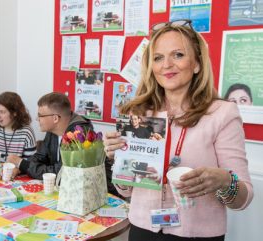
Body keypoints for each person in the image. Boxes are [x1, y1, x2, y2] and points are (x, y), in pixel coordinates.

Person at [103, 20, 253, 241]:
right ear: (151, 67)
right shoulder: (138, 112)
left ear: (197, 64)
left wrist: (224, 181)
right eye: (158, 57)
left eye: (178, 55)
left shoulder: (223, 113)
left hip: (197, 235)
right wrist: (118, 160)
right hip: (142, 230)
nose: (166, 65)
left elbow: (243, 199)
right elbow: (127, 191)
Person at [7, 92, 93, 179]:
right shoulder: (53, 129)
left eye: (40, 115)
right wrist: (20, 168)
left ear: (55, 118)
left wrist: (22, 163)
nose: (37, 119)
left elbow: (61, 173)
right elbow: (40, 157)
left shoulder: (80, 134)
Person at [0, 92, 36, 174]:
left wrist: (17, 171)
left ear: (14, 113)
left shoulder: (26, 132)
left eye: (2, 112)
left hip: (18, 178)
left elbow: (30, 165)